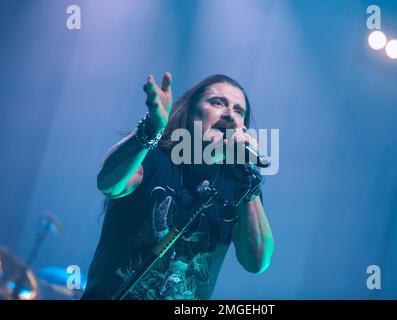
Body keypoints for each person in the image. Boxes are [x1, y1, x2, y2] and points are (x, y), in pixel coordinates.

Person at [82, 73, 274, 300]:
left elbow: (256, 262)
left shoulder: (240, 187)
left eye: (239, 111)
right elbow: (109, 183)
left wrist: (247, 176)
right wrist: (150, 130)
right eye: (218, 103)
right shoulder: (156, 157)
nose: (230, 115)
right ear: (191, 113)